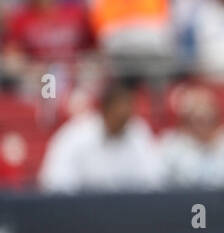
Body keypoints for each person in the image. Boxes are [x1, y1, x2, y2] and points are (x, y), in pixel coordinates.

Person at [38, 80, 166, 193]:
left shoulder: (138, 133)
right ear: (104, 108)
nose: (123, 114)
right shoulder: (76, 135)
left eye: (128, 108)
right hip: (83, 213)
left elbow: (155, 180)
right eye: (118, 109)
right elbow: (54, 181)